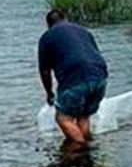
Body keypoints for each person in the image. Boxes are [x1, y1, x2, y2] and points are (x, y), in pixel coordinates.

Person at [37, 9, 108, 146]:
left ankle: (84, 149)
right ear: (65, 19)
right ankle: (90, 145)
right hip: (100, 77)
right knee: (83, 116)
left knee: (63, 118)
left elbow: (45, 71)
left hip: (75, 79)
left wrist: (49, 93)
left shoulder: (47, 37)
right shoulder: (83, 31)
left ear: (48, 24)